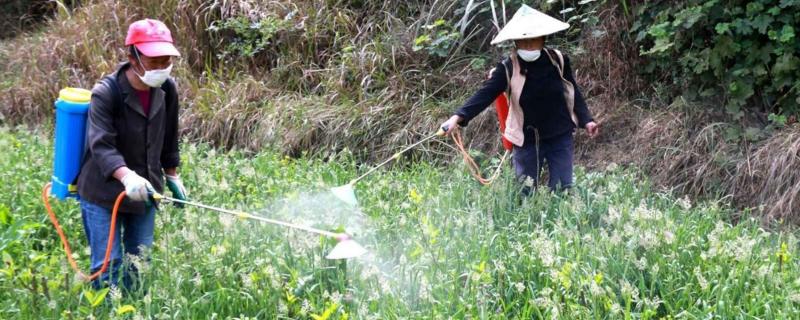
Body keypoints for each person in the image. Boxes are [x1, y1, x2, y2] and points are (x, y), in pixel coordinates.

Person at [440, 5, 599, 194]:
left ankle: (559, 222)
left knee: (562, 189)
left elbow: (572, 91)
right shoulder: (507, 69)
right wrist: (457, 117)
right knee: (526, 192)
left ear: (543, 38)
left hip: (559, 135)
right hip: (526, 141)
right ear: (515, 42)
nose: (529, 45)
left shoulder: (558, 61)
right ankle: (529, 222)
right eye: (523, 41)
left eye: (534, 39)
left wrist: (587, 119)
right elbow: (484, 95)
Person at [76, 19, 187, 289]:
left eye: (166, 60)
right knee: (108, 266)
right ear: (132, 57)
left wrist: (172, 176)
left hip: (146, 189)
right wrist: (127, 177)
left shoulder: (167, 89)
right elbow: (101, 146)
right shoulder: (106, 93)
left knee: (138, 262)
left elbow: (169, 136)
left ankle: (134, 308)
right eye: (153, 60)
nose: (161, 67)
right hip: (103, 192)